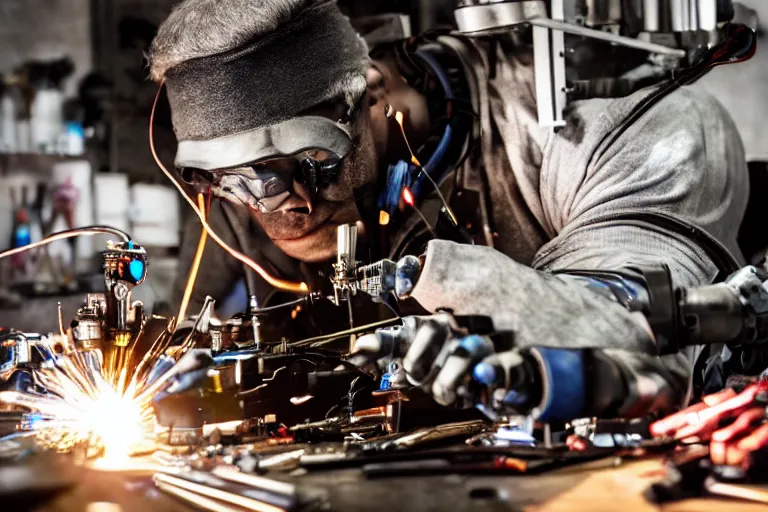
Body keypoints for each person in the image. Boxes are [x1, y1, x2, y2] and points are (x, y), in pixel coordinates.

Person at [149, 0, 748, 420]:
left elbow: (643, 335)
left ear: (374, 93)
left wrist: (456, 282)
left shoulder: (605, 120)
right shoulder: (231, 198)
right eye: (239, 182)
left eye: (310, 161)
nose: (289, 210)